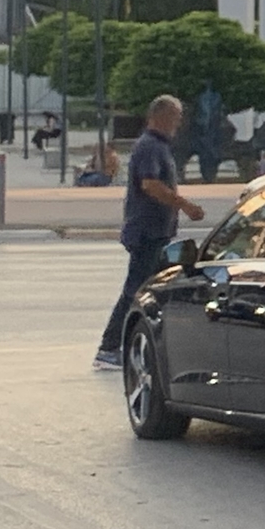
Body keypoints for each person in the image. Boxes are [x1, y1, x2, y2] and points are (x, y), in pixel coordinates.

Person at [95, 94, 205, 373]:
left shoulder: (158, 146)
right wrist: (185, 205)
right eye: (176, 117)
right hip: (147, 231)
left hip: (157, 231)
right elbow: (150, 184)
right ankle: (108, 348)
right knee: (135, 290)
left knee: (151, 291)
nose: (179, 123)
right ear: (162, 116)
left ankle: (138, 343)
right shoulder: (150, 147)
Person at [193, 81, 225, 183]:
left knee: (209, 152)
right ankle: (208, 174)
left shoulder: (215, 97)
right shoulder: (203, 97)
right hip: (206, 129)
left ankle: (209, 174)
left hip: (211, 129)